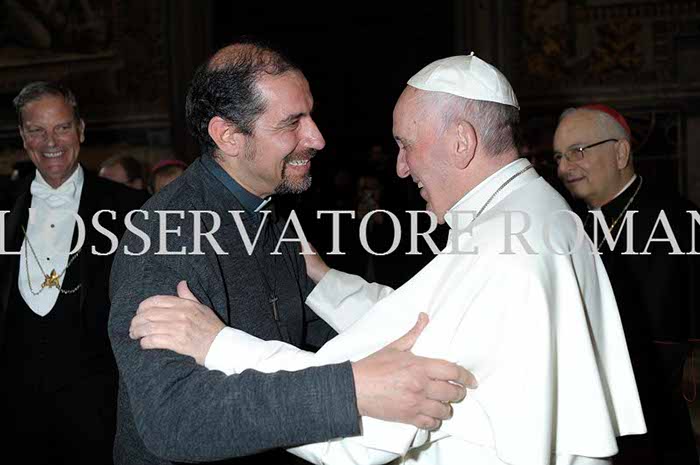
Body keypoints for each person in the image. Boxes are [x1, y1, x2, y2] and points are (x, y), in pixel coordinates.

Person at [130, 54, 647, 465]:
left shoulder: (503, 251)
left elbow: (360, 434)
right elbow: (423, 318)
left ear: (461, 142)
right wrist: (327, 282)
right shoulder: (534, 212)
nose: (399, 167)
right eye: (293, 122)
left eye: (406, 144)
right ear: (228, 134)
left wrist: (219, 345)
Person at [107, 40, 474, 465]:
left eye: (310, 116)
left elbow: (306, 332)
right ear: (228, 136)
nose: (317, 138)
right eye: (291, 123)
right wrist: (350, 391)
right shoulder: (165, 234)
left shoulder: (273, 212)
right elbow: (174, 418)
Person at [0, 81, 147, 465]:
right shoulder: (2, 205)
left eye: (62, 127)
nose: (51, 141)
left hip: (98, 411)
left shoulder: (130, 209)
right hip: (12, 413)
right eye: (37, 130)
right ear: (23, 137)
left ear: (80, 130)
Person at [553, 104, 700, 465]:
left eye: (577, 152)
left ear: (620, 152)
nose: (564, 168)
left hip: (660, 393)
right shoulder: (565, 223)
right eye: (559, 157)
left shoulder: (678, 217)